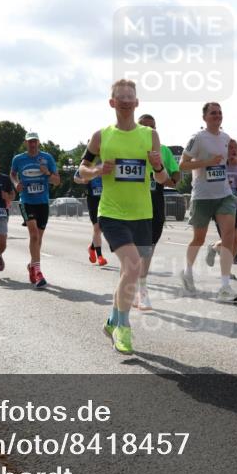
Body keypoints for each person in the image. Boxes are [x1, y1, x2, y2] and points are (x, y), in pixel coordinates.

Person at [77, 79, 169, 354]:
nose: (127, 100)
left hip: (142, 215)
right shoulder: (101, 136)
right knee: (132, 268)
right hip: (112, 213)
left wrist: (158, 166)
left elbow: (164, 178)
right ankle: (124, 329)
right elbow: (81, 170)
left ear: (137, 102)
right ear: (112, 103)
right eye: (121, 97)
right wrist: (96, 172)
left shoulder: (150, 136)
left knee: (127, 274)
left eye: (131, 96)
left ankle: (113, 319)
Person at [179, 102, 237, 302]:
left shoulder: (225, 138)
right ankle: (187, 272)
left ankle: (224, 286)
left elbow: (224, 161)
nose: (217, 116)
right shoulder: (197, 138)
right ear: (204, 117)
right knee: (199, 238)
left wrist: (231, 161)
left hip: (223, 194)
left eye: (220, 113)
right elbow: (183, 165)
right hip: (202, 195)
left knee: (229, 236)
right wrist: (207, 162)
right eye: (213, 113)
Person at [135, 113, 180, 310]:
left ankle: (140, 283)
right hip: (133, 205)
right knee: (134, 248)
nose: (149, 131)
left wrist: (173, 180)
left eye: (152, 127)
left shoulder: (163, 150)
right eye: (144, 127)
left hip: (155, 204)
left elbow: (176, 172)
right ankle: (138, 287)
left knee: (149, 246)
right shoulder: (130, 148)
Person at [11, 131, 60, 287]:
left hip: (43, 202)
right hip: (26, 201)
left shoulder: (47, 158)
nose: (32, 144)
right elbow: (12, 174)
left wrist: (47, 172)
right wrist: (15, 184)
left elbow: (57, 181)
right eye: (29, 141)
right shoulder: (18, 159)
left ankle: (32, 265)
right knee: (33, 235)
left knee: (38, 238)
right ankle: (38, 272)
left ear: (38, 142)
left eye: (35, 141)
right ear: (26, 143)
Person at [205, 139, 237, 278]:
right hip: (221, 206)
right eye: (230, 147)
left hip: (236, 205)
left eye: (235, 148)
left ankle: (214, 247)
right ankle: (226, 272)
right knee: (230, 238)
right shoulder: (219, 164)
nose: (233, 150)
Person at [73, 161, 108, 267]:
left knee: (102, 227)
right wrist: (83, 180)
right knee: (97, 228)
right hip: (93, 199)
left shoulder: (107, 158)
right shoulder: (88, 162)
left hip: (106, 198)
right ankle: (100, 256)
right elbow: (75, 178)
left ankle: (92, 248)